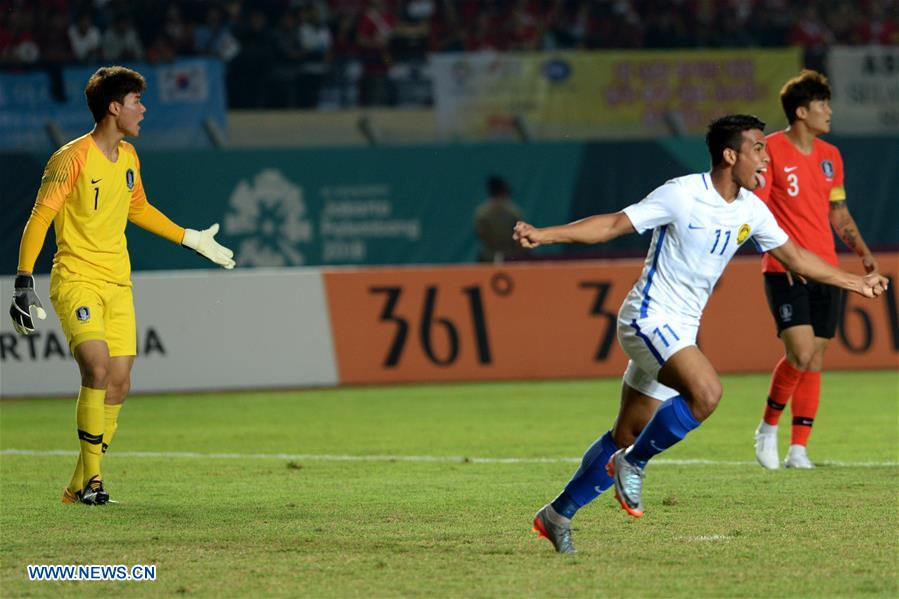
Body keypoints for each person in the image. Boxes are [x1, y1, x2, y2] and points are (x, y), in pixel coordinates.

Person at [512, 114, 888, 553]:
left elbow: (796, 257)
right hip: (647, 318)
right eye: (758, 149)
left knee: (626, 432)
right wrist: (545, 235)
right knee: (706, 393)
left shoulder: (751, 208)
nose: (766, 159)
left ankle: (556, 515)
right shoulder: (682, 194)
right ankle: (632, 466)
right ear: (731, 155)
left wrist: (856, 282)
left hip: (680, 329)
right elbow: (614, 224)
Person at [8, 66, 235, 506]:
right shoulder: (70, 158)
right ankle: (94, 483)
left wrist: (190, 238)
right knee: (96, 367)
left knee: (120, 383)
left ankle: (77, 485)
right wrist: (22, 280)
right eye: (136, 102)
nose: (143, 110)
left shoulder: (129, 158)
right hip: (76, 278)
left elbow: (140, 208)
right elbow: (40, 218)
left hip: (118, 283)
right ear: (115, 108)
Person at [752, 70, 878, 470]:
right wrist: (782, 253)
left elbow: (838, 212)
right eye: (823, 104)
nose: (830, 111)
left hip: (825, 267)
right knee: (800, 351)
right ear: (802, 112)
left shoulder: (831, 157)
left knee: (816, 357)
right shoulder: (770, 150)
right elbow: (756, 208)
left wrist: (861, 251)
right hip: (784, 267)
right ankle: (768, 428)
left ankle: (798, 449)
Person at [474, 176, 524, 263]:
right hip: (511, 258)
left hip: (489, 257)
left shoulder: (481, 213)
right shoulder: (514, 212)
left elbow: (481, 234)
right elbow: (520, 235)